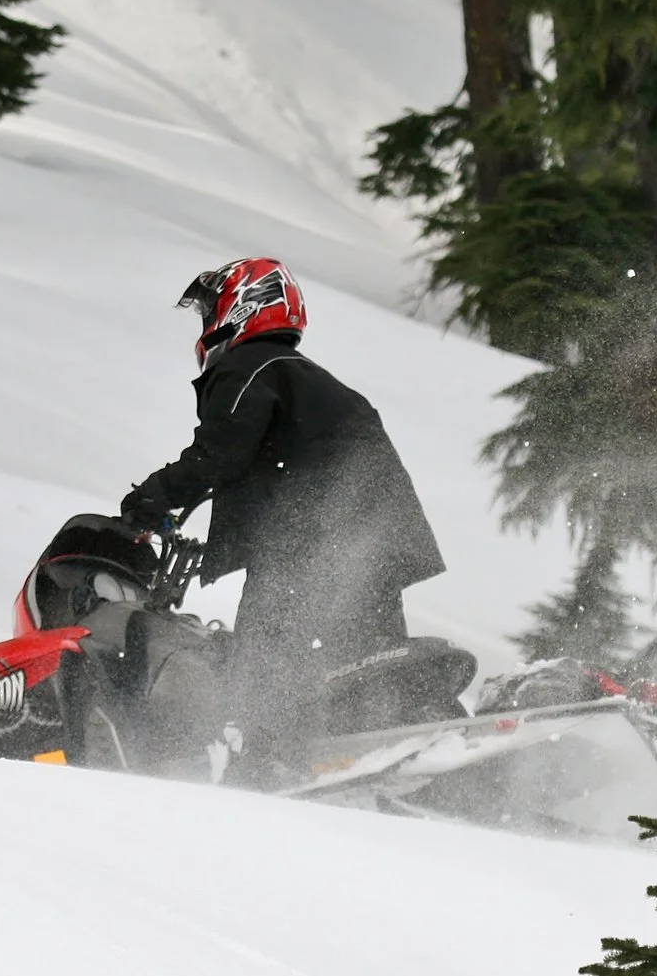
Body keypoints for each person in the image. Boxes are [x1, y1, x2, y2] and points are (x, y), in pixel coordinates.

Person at [119, 258, 446, 772]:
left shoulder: (249, 367)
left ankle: (268, 767)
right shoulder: (305, 378)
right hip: (371, 540)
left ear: (243, 305)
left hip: (313, 543)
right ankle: (390, 744)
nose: (207, 321)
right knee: (366, 662)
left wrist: (149, 499)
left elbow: (219, 454)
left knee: (263, 658)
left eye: (210, 308)